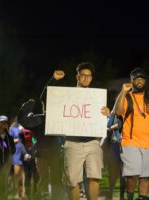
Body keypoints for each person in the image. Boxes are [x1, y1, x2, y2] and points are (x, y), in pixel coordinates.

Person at [43, 62, 109, 200]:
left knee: (94, 177)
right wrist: (53, 80)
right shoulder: (68, 95)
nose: (86, 78)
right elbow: (45, 98)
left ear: (91, 78)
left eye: (89, 76)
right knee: (72, 181)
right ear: (77, 77)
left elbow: (101, 117)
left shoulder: (96, 97)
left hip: (93, 142)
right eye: (83, 75)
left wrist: (106, 112)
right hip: (72, 143)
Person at [114, 67, 149, 200]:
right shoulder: (126, 97)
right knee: (133, 175)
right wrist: (123, 92)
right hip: (130, 142)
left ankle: (142, 197)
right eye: (137, 79)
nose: (140, 81)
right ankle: (129, 197)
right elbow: (118, 112)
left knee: (145, 176)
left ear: (145, 81)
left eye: (142, 79)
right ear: (132, 81)